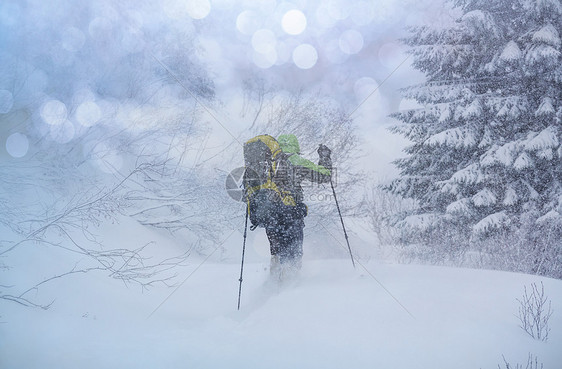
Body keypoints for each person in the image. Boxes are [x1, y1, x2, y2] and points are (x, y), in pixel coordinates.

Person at [265, 134, 332, 281]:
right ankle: (288, 290)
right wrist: (325, 156)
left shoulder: (269, 163)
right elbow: (324, 176)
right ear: (295, 146)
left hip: (271, 217)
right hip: (290, 214)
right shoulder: (296, 160)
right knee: (292, 254)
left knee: (277, 253)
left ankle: (272, 286)